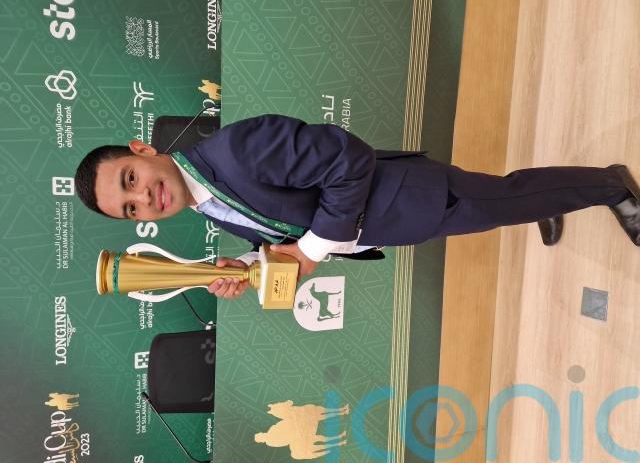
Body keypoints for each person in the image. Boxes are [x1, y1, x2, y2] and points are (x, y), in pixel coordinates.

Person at [74, 114, 640, 299]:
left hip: (410, 196)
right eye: (131, 209)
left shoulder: (237, 150)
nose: (143, 198)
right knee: (502, 200)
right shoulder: (202, 199)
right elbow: (278, 231)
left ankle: (611, 186)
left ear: (142, 151)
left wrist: (311, 253)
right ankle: (537, 203)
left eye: (131, 179)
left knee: (508, 195)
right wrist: (247, 267)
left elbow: (349, 159)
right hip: (395, 220)